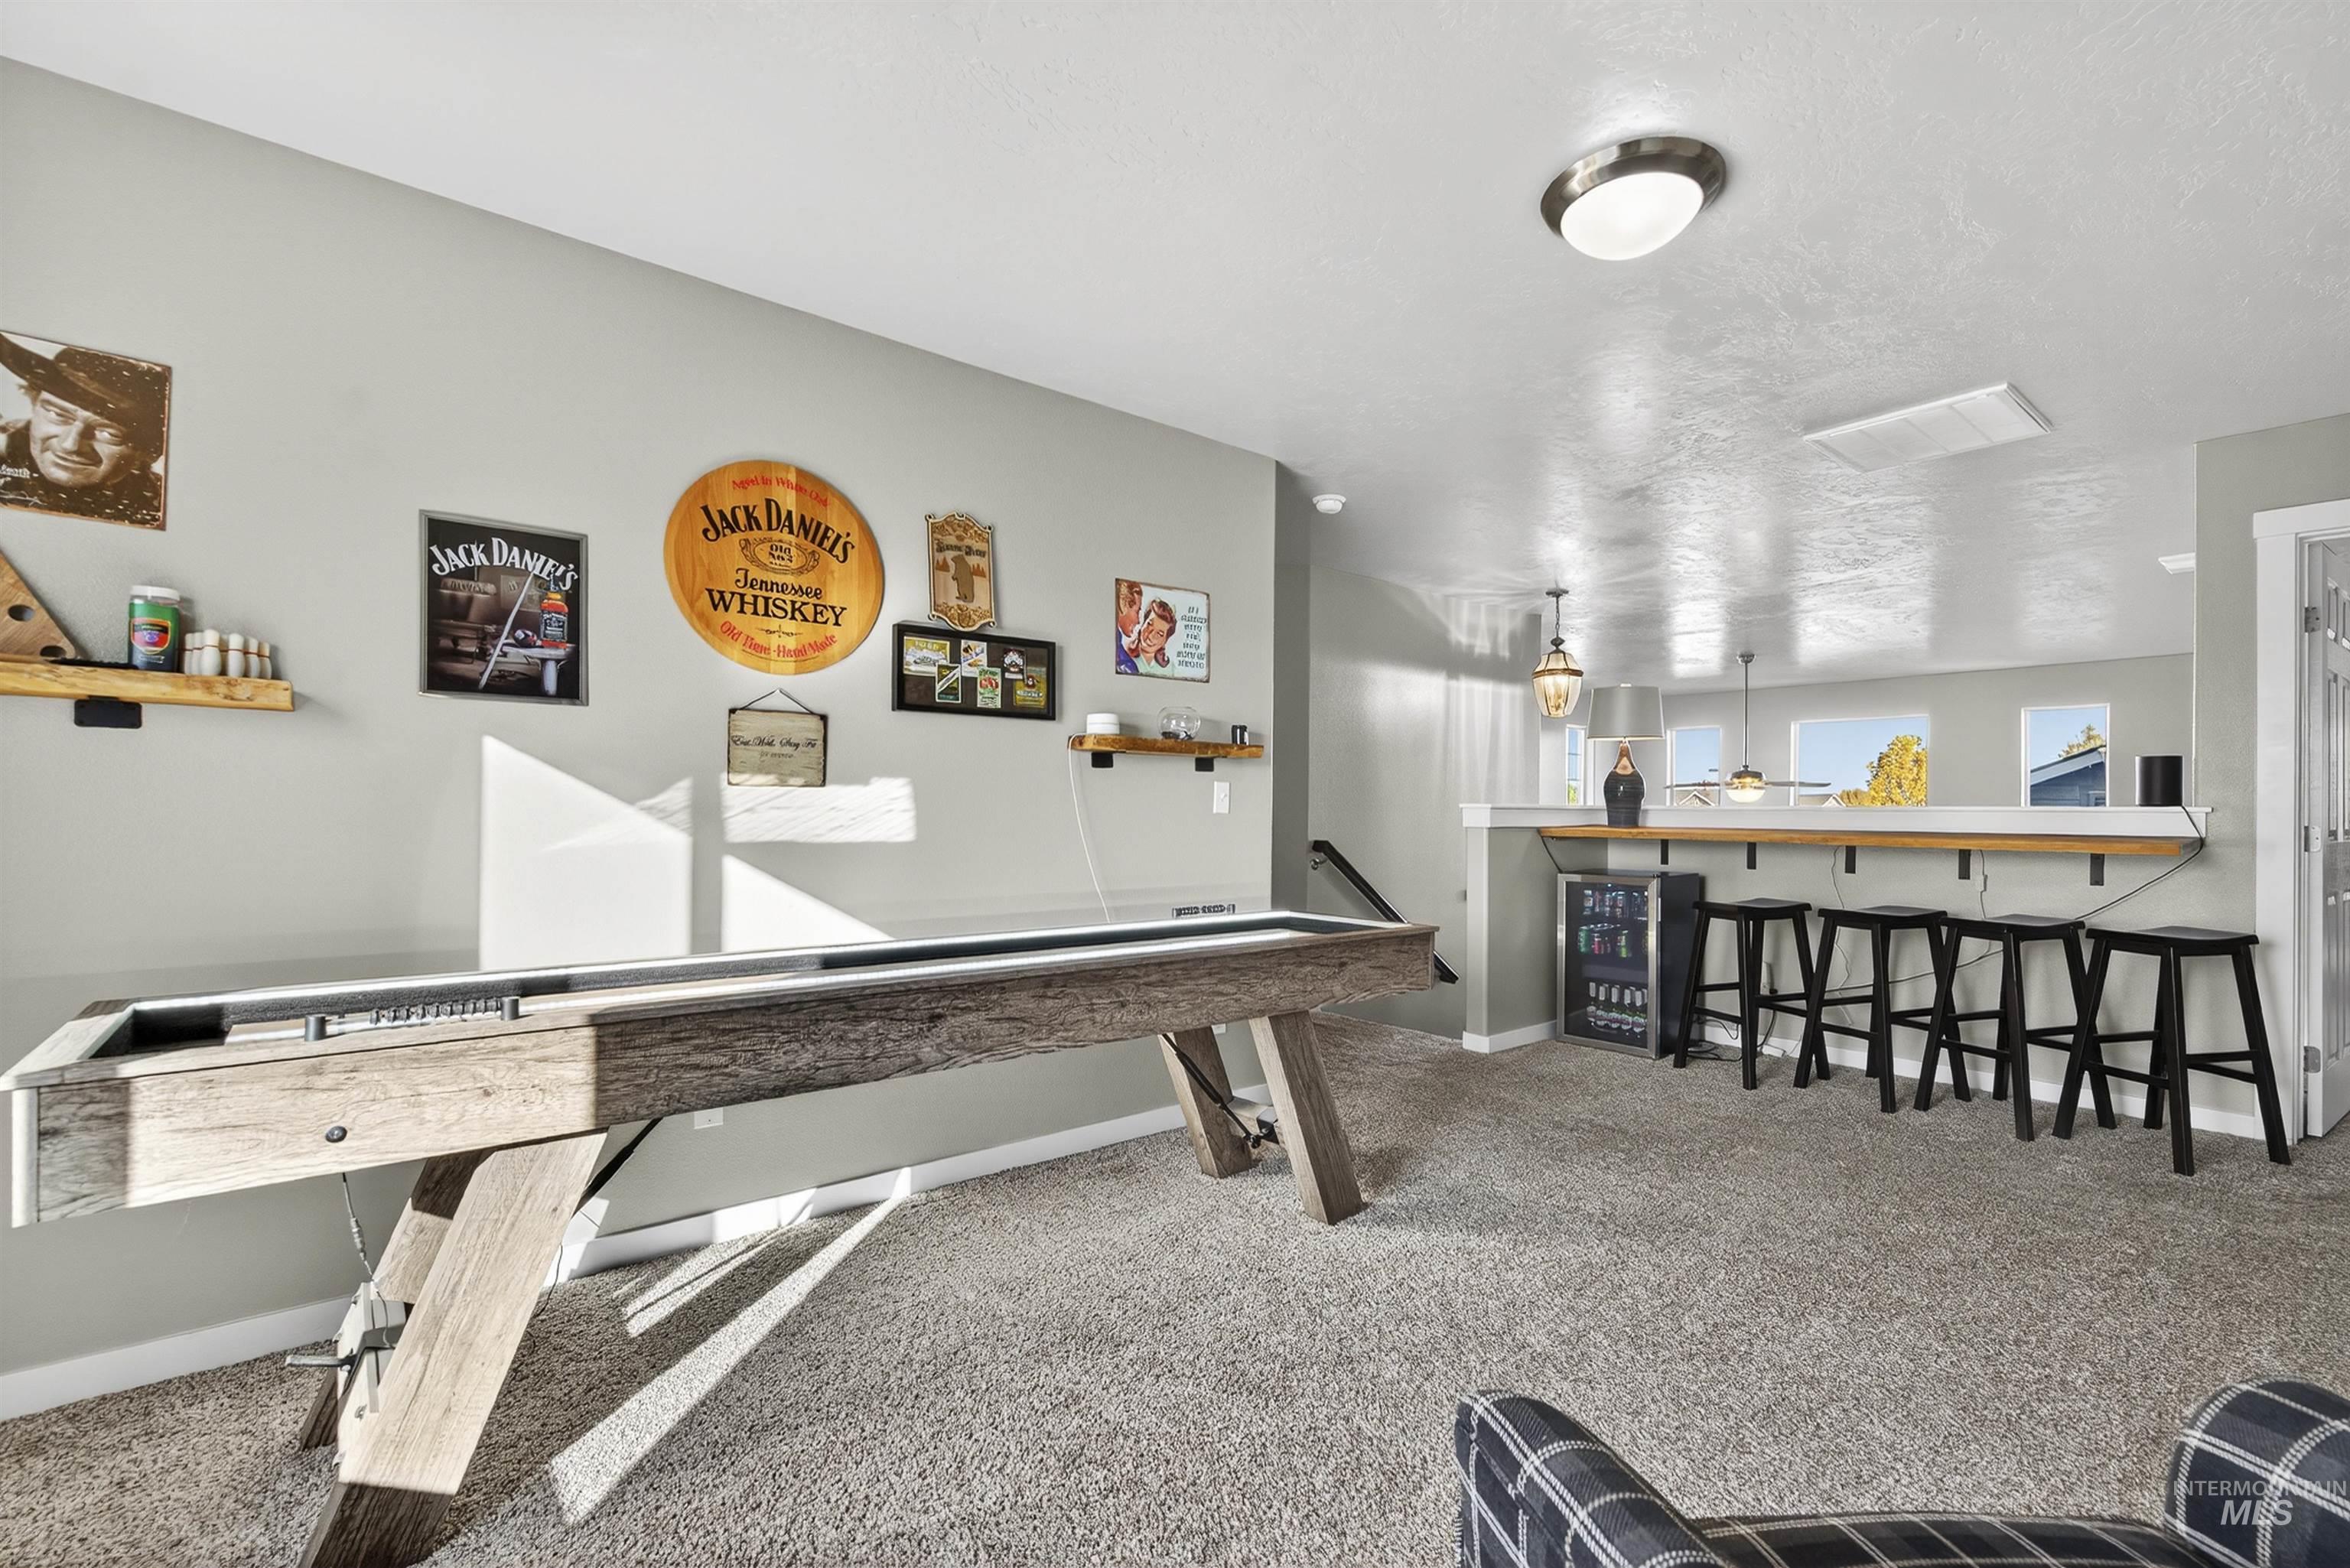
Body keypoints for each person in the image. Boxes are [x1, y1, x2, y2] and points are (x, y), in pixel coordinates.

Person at [0, 333, 169, 529]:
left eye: (108, 433)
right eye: (57, 414)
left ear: (148, 451)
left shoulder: (156, 504)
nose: (70, 444)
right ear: (34, 405)